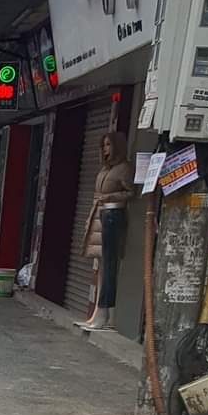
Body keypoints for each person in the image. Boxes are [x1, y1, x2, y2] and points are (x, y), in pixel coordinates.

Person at [76, 131, 134, 330]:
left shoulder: (124, 168)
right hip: (100, 215)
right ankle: (97, 314)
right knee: (101, 264)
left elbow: (131, 192)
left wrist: (110, 198)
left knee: (109, 264)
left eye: (109, 144)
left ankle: (104, 313)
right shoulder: (105, 169)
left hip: (113, 215)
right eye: (104, 145)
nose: (105, 149)